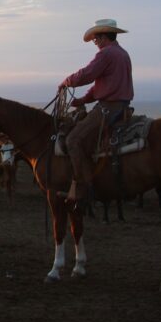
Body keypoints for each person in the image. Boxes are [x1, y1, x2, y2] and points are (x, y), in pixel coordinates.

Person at [57, 18, 134, 208]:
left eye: (96, 38)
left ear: (104, 36)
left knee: (73, 140)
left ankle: (82, 189)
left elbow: (87, 74)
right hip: (119, 105)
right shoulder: (122, 54)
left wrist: (67, 81)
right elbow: (102, 84)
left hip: (108, 107)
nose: (95, 42)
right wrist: (83, 100)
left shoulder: (106, 54)